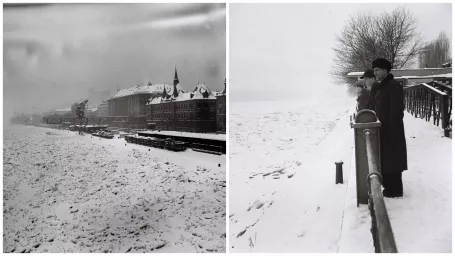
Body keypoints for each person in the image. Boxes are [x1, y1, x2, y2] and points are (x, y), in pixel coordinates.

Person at [371, 58, 408, 198]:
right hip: (383, 129)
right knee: (388, 160)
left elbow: (396, 110)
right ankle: (390, 187)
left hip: (392, 130)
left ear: (385, 71)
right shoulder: (382, 86)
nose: (375, 72)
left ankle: (395, 190)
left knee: (393, 160)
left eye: (377, 70)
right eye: (374, 70)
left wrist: (392, 131)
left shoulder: (393, 86)